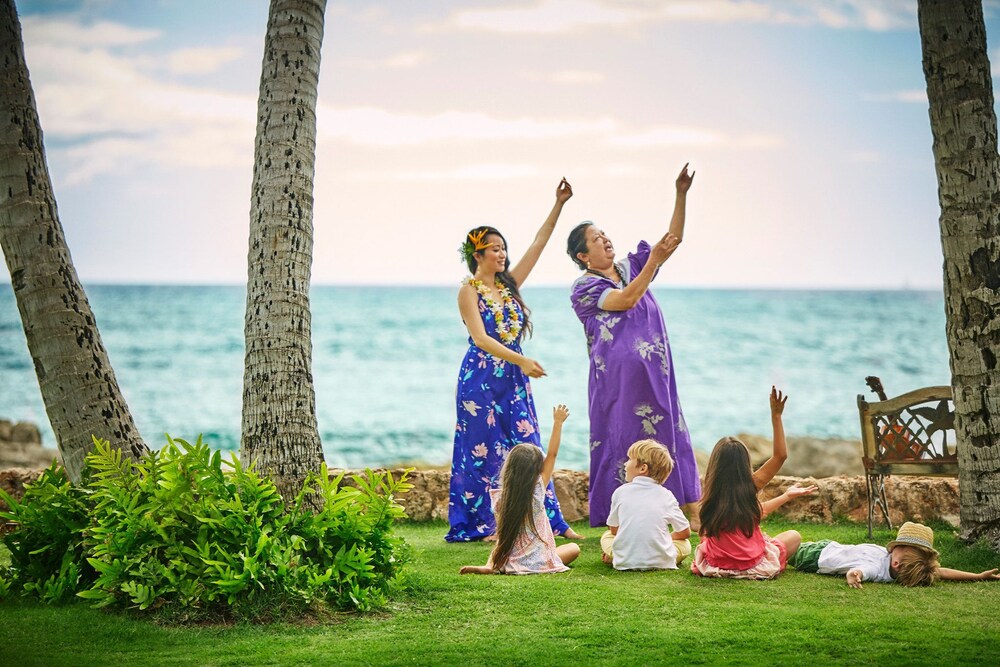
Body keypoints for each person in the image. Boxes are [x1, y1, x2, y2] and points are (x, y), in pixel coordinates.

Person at [447, 179, 584, 542]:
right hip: (480, 379)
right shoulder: (467, 291)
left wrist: (559, 204)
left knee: (528, 443)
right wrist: (521, 361)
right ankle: (489, 524)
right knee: (484, 450)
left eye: (504, 248)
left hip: (512, 379)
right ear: (477, 254)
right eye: (494, 249)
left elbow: (539, 244)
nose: (502, 254)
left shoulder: (509, 286)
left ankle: (553, 520)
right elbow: (480, 338)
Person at [566, 164, 700, 528]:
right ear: (582, 255)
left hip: (656, 371)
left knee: (670, 432)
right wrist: (652, 262)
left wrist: (681, 193)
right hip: (618, 384)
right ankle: (621, 520)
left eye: (606, 234)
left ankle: (689, 517)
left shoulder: (630, 266)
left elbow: (671, 239)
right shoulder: (584, 288)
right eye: (596, 239)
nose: (606, 240)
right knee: (621, 440)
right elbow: (624, 300)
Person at [691, 388, 818, 579]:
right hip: (751, 564)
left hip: (716, 564)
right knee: (794, 536)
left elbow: (708, 530)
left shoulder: (709, 490)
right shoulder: (751, 485)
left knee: (709, 539)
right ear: (744, 464)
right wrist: (776, 416)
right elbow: (780, 456)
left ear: (715, 464)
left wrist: (785, 496)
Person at [460, 405, 582, 574]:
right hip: (541, 560)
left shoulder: (500, 499)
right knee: (573, 548)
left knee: (501, 541)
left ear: (509, 469)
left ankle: (489, 567)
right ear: (537, 470)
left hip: (510, 561)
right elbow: (552, 454)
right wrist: (558, 422)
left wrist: (493, 563)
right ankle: (508, 566)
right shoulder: (538, 490)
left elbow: (502, 539)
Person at [790, 521, 1000, 588]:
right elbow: (941, 571)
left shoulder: (877, 570)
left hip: (813, 556)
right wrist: (978, 576)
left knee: (777, 545)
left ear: (897, 562)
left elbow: (862, 571)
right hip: (831, 546)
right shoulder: (907, 565)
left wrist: (854, 575)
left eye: (898, 546)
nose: (892, 547)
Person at [600, 439, 691, 570]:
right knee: (685, 544)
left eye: (629, 459)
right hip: (662, 561)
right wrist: (665, 539)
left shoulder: (620, 492)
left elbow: (613, 530)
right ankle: (659, 556)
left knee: (606, 536)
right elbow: (684, 533)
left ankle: (615, 556)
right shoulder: (667, 495)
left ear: (643, 468)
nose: (625, 464)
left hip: (625, 560)